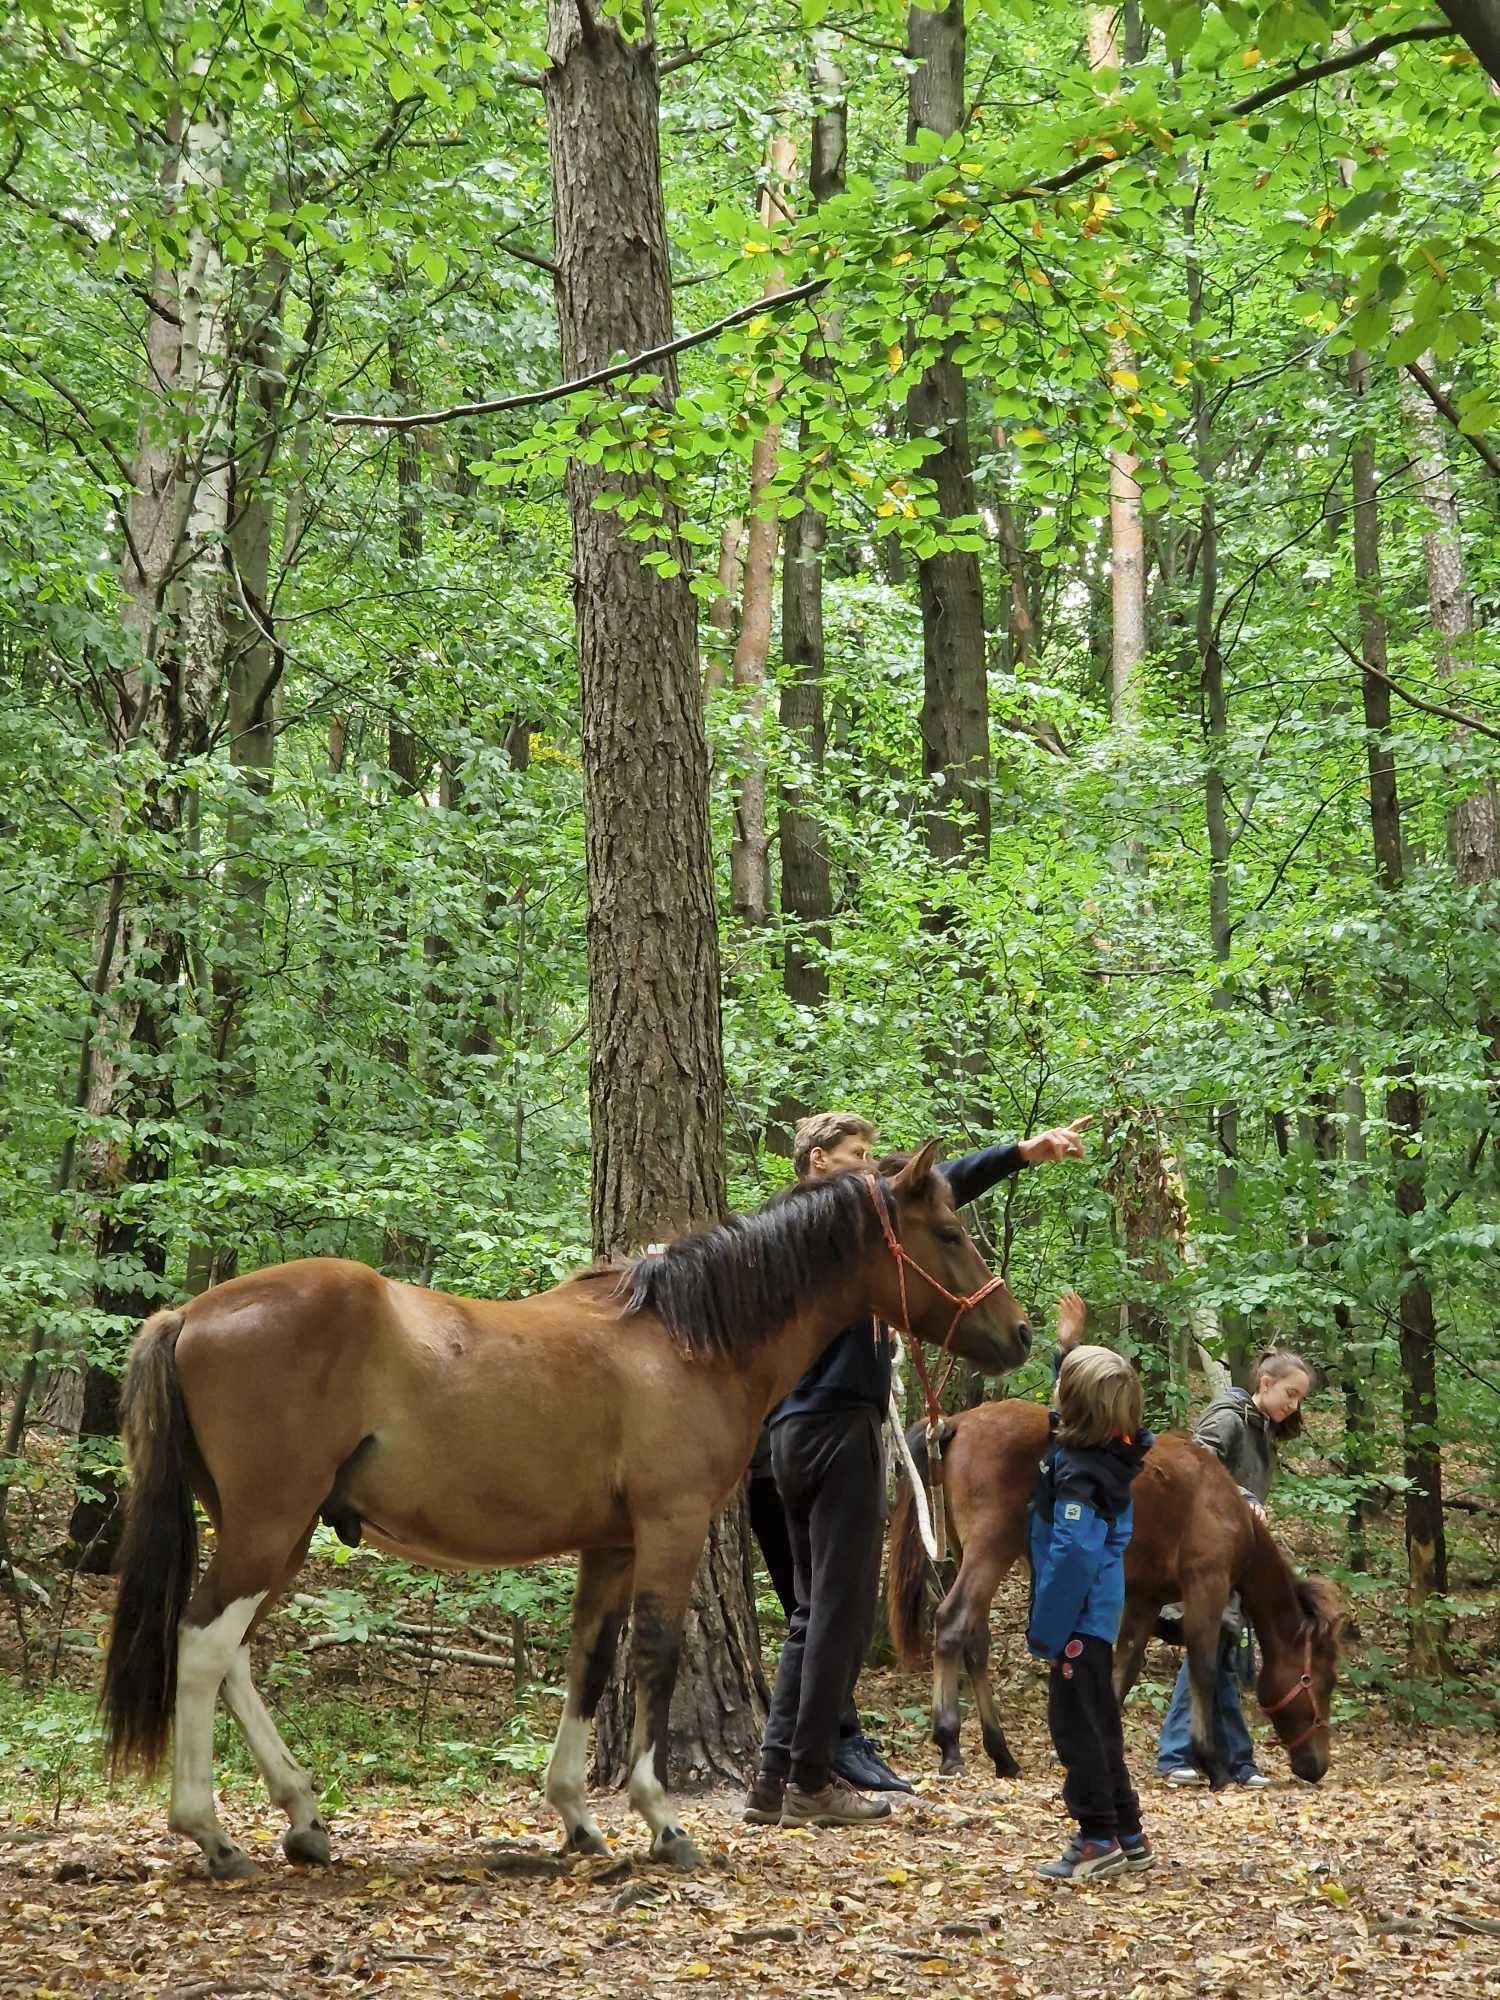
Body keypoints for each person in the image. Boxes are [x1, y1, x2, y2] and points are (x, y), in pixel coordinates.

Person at [742, 1108, 1090, 1830]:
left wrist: (1019, 1154)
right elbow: (925, 1191)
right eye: (857, 1154)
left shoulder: (828, 1233)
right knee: (836, 1611)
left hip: (793, 1433)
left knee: (812, 1613)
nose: (873, 1166)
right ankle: (810, 1780)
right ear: (816, 1163)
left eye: (875, 1153)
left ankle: (773, 1777)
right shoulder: (828, 1234)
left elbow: (937, 1186)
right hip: (831, 1424)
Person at [1156, 1350, 1316, 1788]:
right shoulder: (1228, 1417)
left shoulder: (1261, 1432)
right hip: (1205, 1553)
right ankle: (1175, 1754)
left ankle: (1237, 1761)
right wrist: (1242, 1498)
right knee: (1209, 1648)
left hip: (1232, 1557)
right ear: (1264, 1383)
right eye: (1290, 1393)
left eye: (1300, 1398)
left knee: (1223, 1652)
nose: (1293, 1405)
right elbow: (1196, 1463)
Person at [1027, 1345, 1155, 1882]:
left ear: (1078, 1408)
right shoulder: (1107, 1449)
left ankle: (1095, 1837)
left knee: (1076, 1727)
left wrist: (1047, 1628)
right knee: (1100, 1721)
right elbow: (1076, 1410)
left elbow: (1075, 1553)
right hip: (1097, 1619)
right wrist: (1066, 1350)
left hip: (1077, 1619)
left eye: (1062, 1389)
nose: (1054, 1399)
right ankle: (1128, 1832)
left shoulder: (1081, 1475)